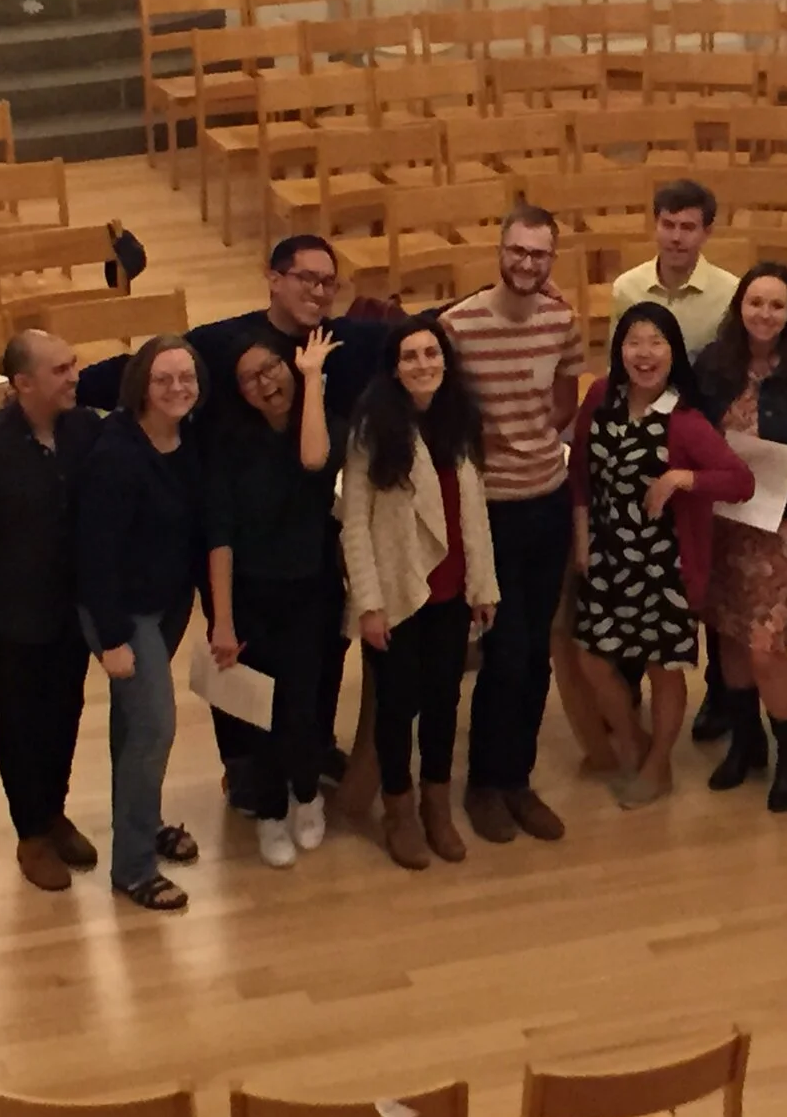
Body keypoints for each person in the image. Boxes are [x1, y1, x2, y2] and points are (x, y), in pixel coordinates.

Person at [0, 330, 105, 891]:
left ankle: (53, 813)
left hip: (67, 612)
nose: (74, 376)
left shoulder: (84, 430)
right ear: (23, 383)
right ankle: (31, 836)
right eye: (60, 369)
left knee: (65, 717)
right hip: (9, 619)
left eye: (73, 364)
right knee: (22, 727)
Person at [569, 303, 754, 809]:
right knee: (591, 659)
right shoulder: (600, 397)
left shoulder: (686, 422)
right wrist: (582, 533)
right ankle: (632, 740)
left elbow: (741, 480)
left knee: (661, 668)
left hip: (665, 567)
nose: (644, 353)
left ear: (674, 353)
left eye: (656, 342)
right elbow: (581, 471)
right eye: (634, 341)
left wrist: (681, 478)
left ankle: (659, 765)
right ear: (618, 348)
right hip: (607, 558)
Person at [440, 204, 585, 844]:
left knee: (536, 655)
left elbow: (564, 400)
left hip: (547, 500)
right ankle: (483, 787)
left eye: (540, 255)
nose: (527, 264)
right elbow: (437, 407)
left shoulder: (562, 319)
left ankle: (518, 780)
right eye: (517, 252)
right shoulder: (459, 325)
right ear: (499, 251)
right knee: (503, 651)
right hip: (488, 511)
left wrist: (533, 442)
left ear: (553, 260)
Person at [338, 315, 500, 870]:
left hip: (453, 588)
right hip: (398, 589)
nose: (423, 365)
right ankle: (399, 811)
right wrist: (369, 603)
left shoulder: (459, 420)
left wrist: (484, 584)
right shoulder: (374, 428)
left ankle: (437, 806)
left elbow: (473, 511)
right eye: (410, 356)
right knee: (395, 707)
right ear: (393, 367)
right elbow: (354, 522)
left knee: (442, 702)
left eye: (432, 354)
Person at [694, 266, 787, 813]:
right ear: (740, 306)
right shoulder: (714, 366)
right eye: (756, 302)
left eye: (777, 306)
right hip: (725, 527)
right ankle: (746, 745)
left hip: (782, 530)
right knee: (729, 640)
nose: (764, 314)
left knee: (765, 649)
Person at [76, 334, 210, 912]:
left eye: (186, 377)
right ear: (140, 387)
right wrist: (110, 639)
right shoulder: (116, 454)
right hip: (122, 611)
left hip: (167, 602)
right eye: (164, 379)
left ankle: (144, 821)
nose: (177, 388)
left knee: (134, 730)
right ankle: (132, 868)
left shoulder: (189, 440)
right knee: (155, 727)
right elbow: (91, 554)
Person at [204, 326, 345, 870]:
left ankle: (307, 796)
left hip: (314, 591)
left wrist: (312, 378)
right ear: (238, 392)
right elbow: (220, 537)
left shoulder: (322, 426)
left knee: (306, 706)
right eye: (249, 379)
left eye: (272, 368)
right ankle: (268, 812)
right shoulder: (229, 446)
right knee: (257, 714)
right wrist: (221, 618)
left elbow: (314, 461)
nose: (265, 383)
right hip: (253, 596)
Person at [189, 234, 389, 422]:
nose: (319, 291)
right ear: (275, 281)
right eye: (307, 278)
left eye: (328, 282)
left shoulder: (351, 340)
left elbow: (411, 333)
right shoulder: (222, 342)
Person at [609, 178, 740, 354]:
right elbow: (616, 362)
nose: (676, 237)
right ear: (655, 225)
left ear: (706, 233)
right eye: (668, 225)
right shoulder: (625, 288)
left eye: (687, 227)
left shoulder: (731, 293)